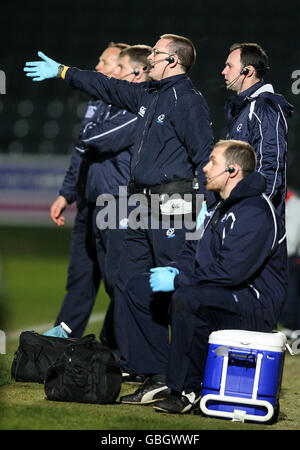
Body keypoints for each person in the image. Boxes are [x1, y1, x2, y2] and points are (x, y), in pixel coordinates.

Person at [24, 34, 215, 373]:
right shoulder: (148, 95)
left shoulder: (188, 101)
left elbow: (205, 156)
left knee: (177, 289)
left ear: (172, 60)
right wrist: (63, 71)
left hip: (173, 202)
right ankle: (149, 368)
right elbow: (104, 84)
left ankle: (192, 369)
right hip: (141, 204)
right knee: (130, 284)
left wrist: (205, 206)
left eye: (155, 53)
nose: (149, 58)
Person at [116, 139, 287, 414]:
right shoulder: (217, 208)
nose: (205, 168)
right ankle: (158, 374)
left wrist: (179, 281)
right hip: (221, 292)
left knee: (189, 297)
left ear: (232, 171)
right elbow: (190, 251)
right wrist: (174, 268)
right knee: (137, 286)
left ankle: (189, 390)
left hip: (252, 304)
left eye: (213, 162)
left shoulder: (255, 211)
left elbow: (231, 273)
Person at [46, 43, 151, 350]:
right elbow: (82, 152)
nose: (103, 67)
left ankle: (120, 345)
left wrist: (88, 137)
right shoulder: (100, 101)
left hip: (117, 203)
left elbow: (92, 141)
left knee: (117, 279)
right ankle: (66, 335)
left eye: (110, 63)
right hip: (90, 200)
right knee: (82, 275)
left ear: (131, 69)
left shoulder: (136, 103)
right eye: (107, 63)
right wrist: (67, 194)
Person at [222, 42, 293, 222]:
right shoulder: (243, 109)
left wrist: (254, 213)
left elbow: (271, 166)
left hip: (254, 218)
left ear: (248, 71)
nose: (224, 71)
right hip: (238, 211)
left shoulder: (264, 108)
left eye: (230, 66)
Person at [280, 188, 300, 339]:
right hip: (286, 255)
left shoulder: (294, 204)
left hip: (290, 258)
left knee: (291, 293)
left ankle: (290, 326)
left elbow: (292, 240)